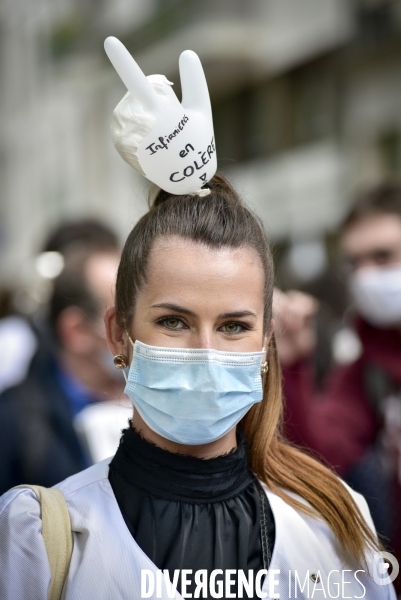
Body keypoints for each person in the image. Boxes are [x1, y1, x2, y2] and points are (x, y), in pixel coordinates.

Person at [0, 174, 395, 599]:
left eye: (233, 326)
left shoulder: (334, 523)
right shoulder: (42, 539)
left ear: (265, 344)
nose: (205, 353)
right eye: (174, 322)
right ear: (119, 335)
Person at [276, 181, 401, 582]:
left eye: (383, 256)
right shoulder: (369, 361)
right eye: (354, 262)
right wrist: (294, 362)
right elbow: (323, 457)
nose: (366, 276)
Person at [0, 243, 123, 494]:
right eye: (122, 320)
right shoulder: (15, 419)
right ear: (76, 330)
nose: (139, 336)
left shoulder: (158, 403)